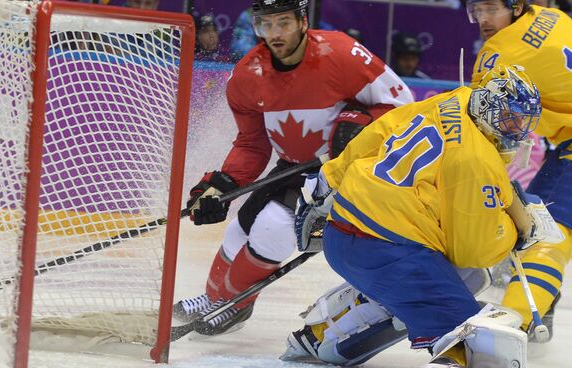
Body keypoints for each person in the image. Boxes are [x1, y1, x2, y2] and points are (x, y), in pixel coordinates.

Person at [285, 64, 559, 367]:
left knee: (464, 278)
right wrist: (516, 234)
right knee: (479, 344)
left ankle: (323, 337)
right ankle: (335, 332)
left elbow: (380, 130)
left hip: (346, 232)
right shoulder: (477, 161)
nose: (517, 129)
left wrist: (330, 179)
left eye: (521, 120)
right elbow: (473, 250)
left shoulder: (455, 99)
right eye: (510, 119)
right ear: (488, 109)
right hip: (386, 251)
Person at [173, 0, 413, 336]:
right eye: (266, 25)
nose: (275, 34)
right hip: (290, 166)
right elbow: (252, 144)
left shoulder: (341, 53)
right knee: (238, 229)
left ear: (302, 21)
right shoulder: (247, 75)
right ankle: (216, 298)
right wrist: (221, 185)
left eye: (283, 23)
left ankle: (235, 304)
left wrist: (361, 124)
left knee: (272, 228)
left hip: (339, 172)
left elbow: (403, 104)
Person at [467, 0, 572, 341]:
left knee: (549, 239)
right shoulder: (551, 16)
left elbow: (477, 121)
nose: (483, 19)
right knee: (529, 227)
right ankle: (539, 312)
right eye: (476, 9)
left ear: (515, 6)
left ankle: (509, 328)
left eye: (491, 8)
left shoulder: (499, 53)